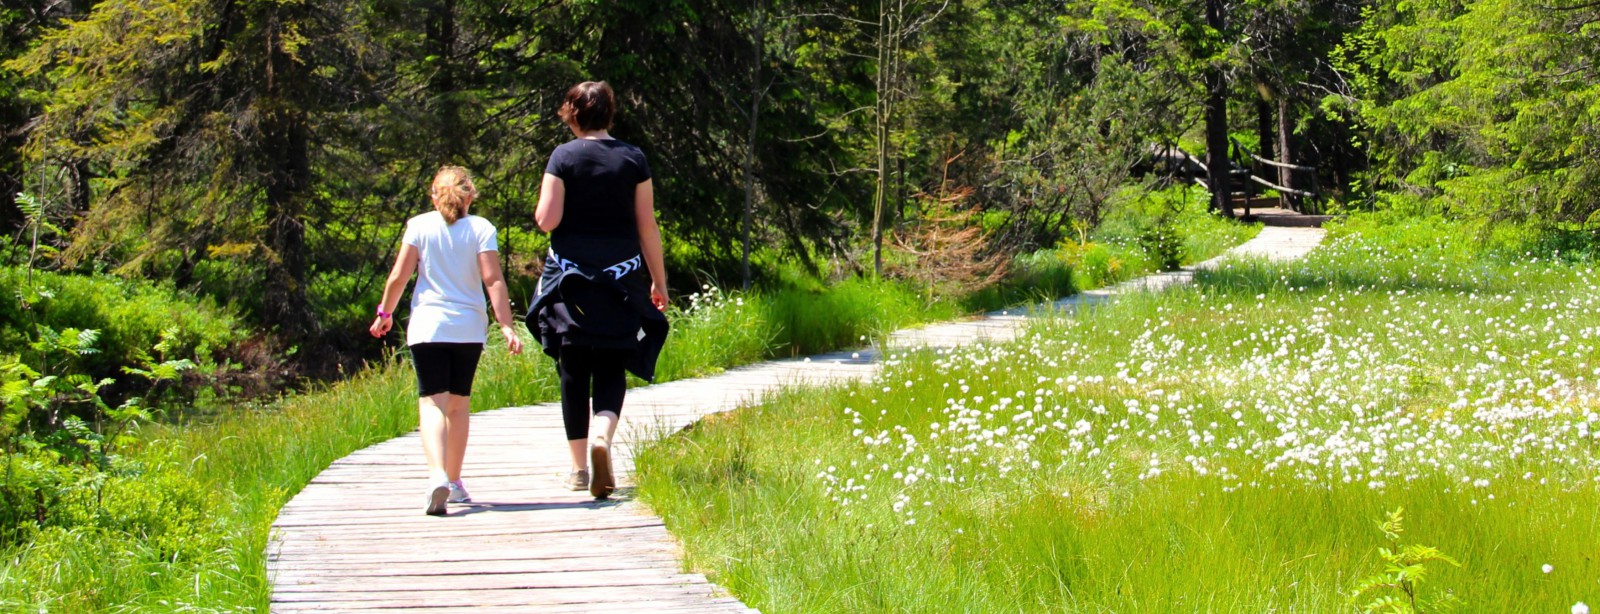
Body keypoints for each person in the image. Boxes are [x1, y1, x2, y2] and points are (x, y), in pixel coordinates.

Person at [530, 81, 669, 500]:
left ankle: (577, 469)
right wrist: (658, 282)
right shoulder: (633, 159)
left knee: (572, 370)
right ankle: (603, 438)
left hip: (571, 283)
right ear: (610, 114)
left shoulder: (563, 157)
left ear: (573, 114)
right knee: (612, 364)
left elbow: (547, 221)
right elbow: (647, 226)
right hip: (622, 281)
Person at [371, 166, 523, 516]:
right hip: (468, 329)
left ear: (433, 195)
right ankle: (453, 482)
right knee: (459, 404)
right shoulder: (481, 229)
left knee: (432, 403)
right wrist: (506, 325)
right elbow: (493, 280)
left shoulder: (419, 226)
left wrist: (385, 312)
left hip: (428, 327)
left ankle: (436, 475)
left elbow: (399, 276)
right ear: (470, 196)